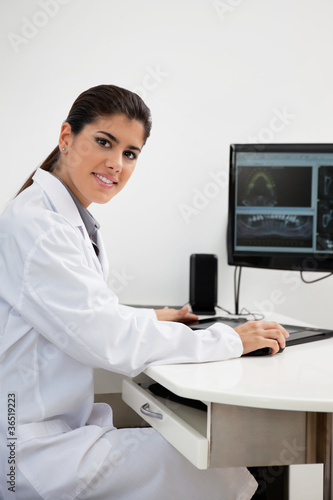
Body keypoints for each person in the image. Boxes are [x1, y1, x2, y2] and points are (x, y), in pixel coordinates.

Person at [0, 84, 289, 500]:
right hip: (26, 455)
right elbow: (106, 340)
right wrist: (228, 338)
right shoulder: (39, 228)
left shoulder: (61, 219)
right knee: (206, 463)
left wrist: (152, 318)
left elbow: (85, 316)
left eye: (130, 153)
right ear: (67, 138)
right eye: (104, 142)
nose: (116, 163)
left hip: (45, 435)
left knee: (202, 452)